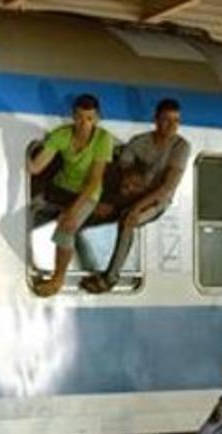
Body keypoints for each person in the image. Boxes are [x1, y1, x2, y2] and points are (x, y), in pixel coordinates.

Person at [81, 98, 190, 294]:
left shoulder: (180, 147)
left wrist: (136, 208)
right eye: (167, 120)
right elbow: (123, 169)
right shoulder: (139, 142)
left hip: (156, 200)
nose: (172, 126)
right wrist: (127, 183)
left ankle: (110, 278)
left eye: (176, 121)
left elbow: (167, 187)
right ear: (156, 120)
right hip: (132, 192)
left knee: (128, 220)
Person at [28, 94, 114, 297]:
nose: (84, 124)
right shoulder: (62, 135)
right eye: (80, 118)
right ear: (73, 117)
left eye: (90, 119)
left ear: (97, 118)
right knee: (28, 214)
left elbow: (94, 180)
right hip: (61, 189)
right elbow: (37, 166)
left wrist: (71, 213)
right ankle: (31, 265)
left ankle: (57, 279)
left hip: (88, 193)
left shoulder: (103, 139)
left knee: (67, 227)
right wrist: (25, 164)